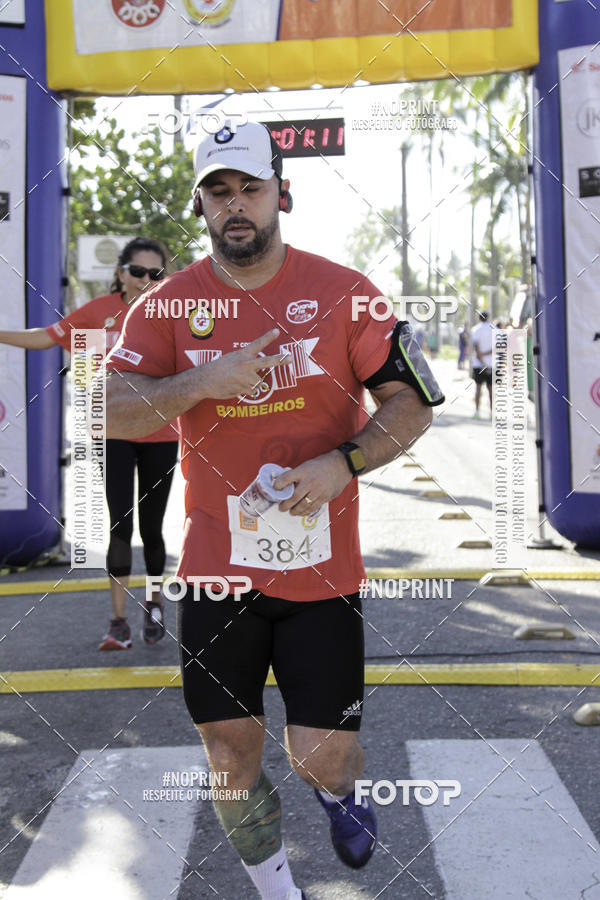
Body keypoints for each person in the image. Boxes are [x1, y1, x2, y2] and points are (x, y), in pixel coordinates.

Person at [104, 122, 442, 900]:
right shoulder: (164, 307)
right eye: (219, 192)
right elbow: (109, 408)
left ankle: (335, 792)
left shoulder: (346, 292)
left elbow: (411, 400)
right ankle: (277, 889)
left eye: (250, 187)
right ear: (200, 206)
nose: (236, 205)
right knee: (229, 752)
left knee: (322, 753)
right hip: (219, 572)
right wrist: (201, 380)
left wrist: (344, 461)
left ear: (280, 193)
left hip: (323, 572)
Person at [0, 236, 179, 650]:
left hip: (162, 433)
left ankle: (154, 605)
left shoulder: (171, 313)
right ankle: (118, 621)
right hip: (113, 434)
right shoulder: (99, 313)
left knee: (152, 530)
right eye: (137, 272)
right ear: (120, 273)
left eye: (156, 274)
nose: (147, 281)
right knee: (121, 526)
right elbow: (45, 337)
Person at [470, 309, 494, 418]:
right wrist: (486, 354)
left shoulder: (475, 330)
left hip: (478, 364)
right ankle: (492, 412)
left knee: (478, 388)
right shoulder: (494, 329)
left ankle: (477, 411)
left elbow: (475, 347)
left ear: (479, 318)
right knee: (491, 388)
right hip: (491, 363)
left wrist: (481, 355)